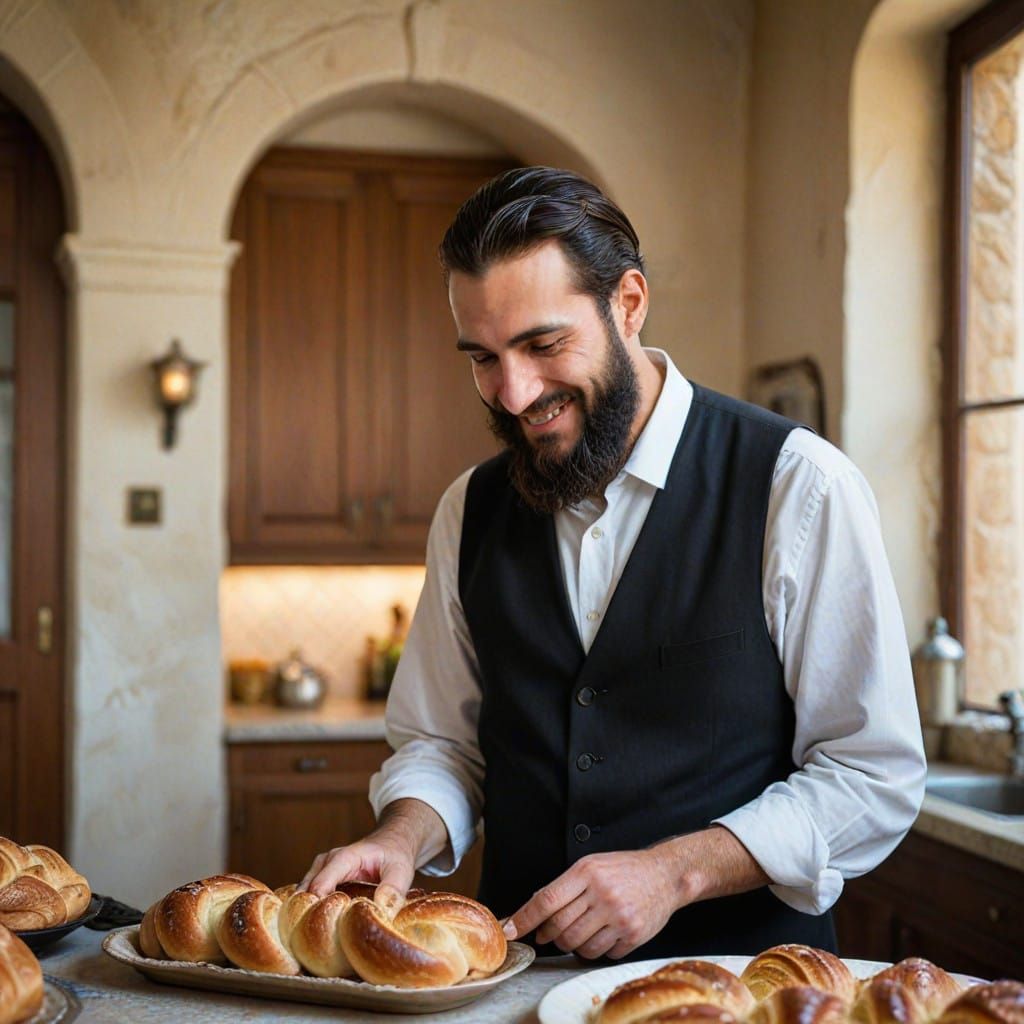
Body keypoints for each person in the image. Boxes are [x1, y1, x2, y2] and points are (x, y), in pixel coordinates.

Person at [299, 166, 926, 961]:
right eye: (483, 357)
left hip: (742, 990)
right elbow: (443, 745)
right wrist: (402, 837)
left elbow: (872, 774)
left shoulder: (798, 486)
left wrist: (677, 872)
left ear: (628, 304)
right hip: (518, 987)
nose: (515, 393)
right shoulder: (469, 508)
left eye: (542, 343)